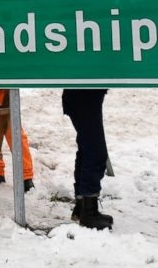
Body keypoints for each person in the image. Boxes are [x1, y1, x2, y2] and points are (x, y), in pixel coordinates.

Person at [62, 89, 113, 230]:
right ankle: (89, 213)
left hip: (81, 94)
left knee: (86, 148)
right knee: (95, 151)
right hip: (84, 95)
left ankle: (82, 205)